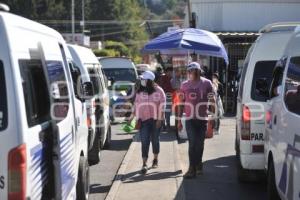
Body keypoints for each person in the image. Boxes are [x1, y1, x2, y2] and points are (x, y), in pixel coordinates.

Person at [177, 62, 215, 179]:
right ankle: (191, 168)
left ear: (198, 71)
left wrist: (212, 117)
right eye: (188, 71)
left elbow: (212, 101)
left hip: (202, 119)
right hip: (190, 119)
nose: (190, 73)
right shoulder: (184, 85)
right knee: (192, 144)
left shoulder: (207, 83)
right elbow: (181, 103)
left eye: (192, 71)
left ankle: (199, 164)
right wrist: (178, 120)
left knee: (200, 145)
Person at [129, 71, 166, 174]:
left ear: (149, 80)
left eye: (144, 79)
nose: (142, 81)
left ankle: (155, 159)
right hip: (143, 121)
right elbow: (136, 105)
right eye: (142, 79)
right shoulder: (139, 91)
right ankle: (144, 164)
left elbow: (162, 106)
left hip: (155, 120)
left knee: (155, 140)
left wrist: (159, 119)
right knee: (144, 141)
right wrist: (131, 117)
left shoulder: (159, 91)